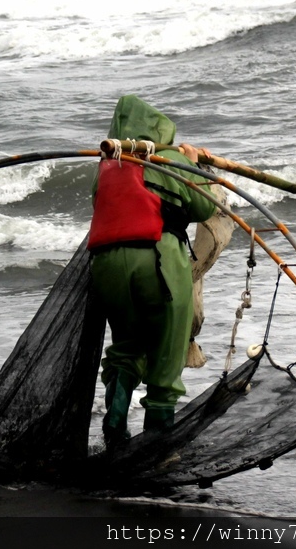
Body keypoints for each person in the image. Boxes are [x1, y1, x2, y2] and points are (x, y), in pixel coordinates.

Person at [87, 95, 217, 446]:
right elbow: (205, 208)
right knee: (168, 348)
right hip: (159, 261)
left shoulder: (106, 167)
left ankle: (114, 426)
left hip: (106, 267)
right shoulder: (170, 158)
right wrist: (195, 165)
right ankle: (158, 445)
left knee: (126, 347)